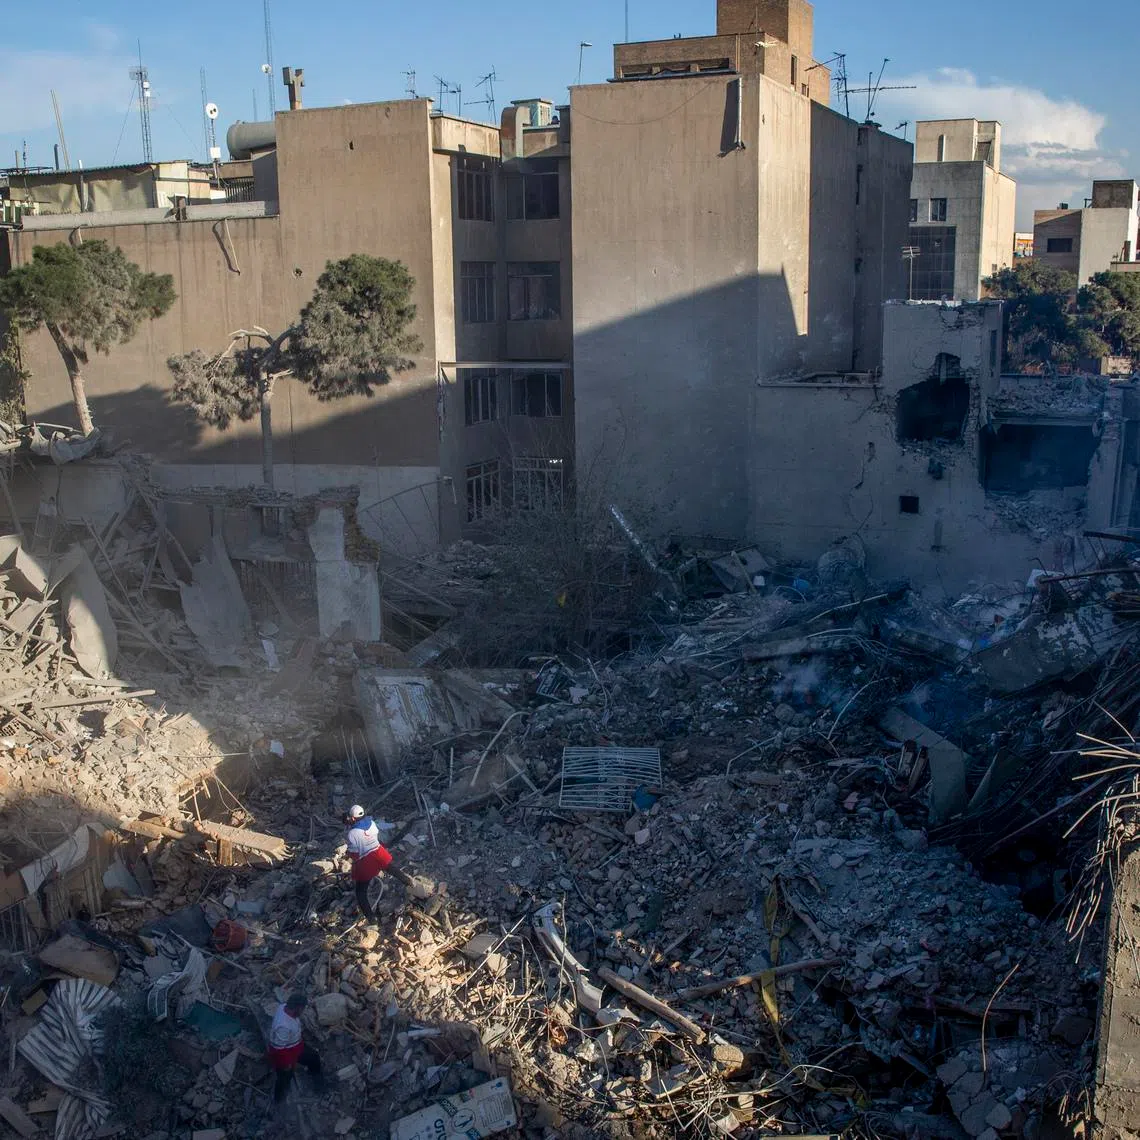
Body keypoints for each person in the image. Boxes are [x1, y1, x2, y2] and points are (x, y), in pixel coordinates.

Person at [343, 804, 417, 919]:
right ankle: (410, 883)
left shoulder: (352, 833)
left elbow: (354, 852)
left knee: (361, 892)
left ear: (352, 818)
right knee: (390, 868)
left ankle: (371, 919)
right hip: (379, 851)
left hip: (367, 859)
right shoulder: (371, 823)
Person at [267, 993, 324, 1103]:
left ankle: (318, 1083)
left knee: (314, 1058)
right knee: (284, 1078)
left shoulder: (283, 1007)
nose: (303, 1011)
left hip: (296, 1046)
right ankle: (279, 1100)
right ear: (296, 1008)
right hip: (286, 1055)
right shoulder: (283, 1027)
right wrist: (287, 1064)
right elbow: (278, 1050)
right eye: (302, 1008)